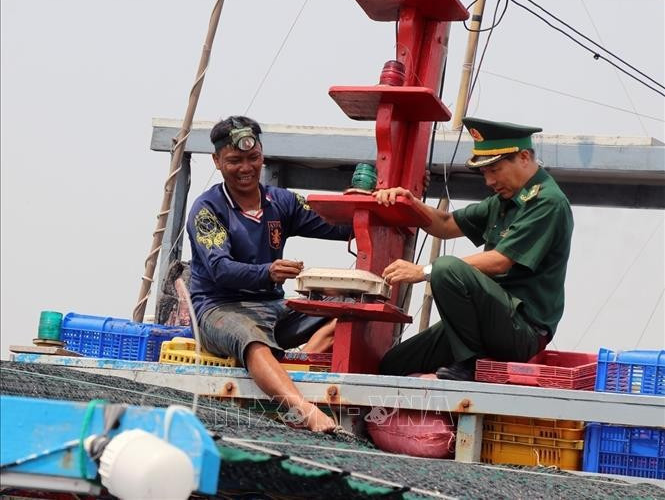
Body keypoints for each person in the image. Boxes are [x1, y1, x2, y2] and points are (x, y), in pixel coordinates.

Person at [374, 117, 574, 380]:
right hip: (486, 320)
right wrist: (409, 204)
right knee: (393, 365)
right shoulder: (503, 200)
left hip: (521, 329)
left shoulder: (546, 201)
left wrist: (423, 271)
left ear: (524, 157)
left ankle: (469, 364)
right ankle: (464, 364)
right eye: (484, 173)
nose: (489, 181)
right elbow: (446, 224)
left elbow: (500, 261)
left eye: (495, 170)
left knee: (445, 268)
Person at [186, 115, 351, 431]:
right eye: (235, 160)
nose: (246, 167)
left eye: (253, 158)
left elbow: (338, 223)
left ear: (262, 155)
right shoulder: (207, 209)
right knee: (252, 340)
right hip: (219, 310)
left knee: (345, 308)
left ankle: (294, 373)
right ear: (217, 161)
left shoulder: (282, 201)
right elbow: (221, 270)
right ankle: (304, 410)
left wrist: (381, 201)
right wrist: (268, 272)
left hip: (274, 310)